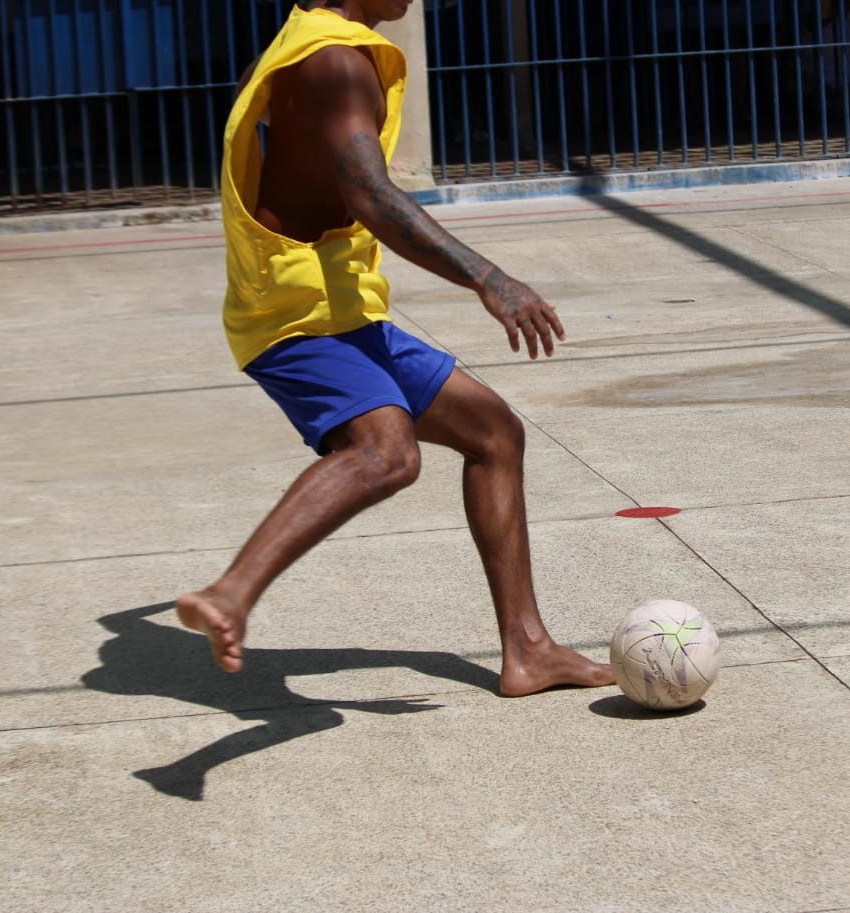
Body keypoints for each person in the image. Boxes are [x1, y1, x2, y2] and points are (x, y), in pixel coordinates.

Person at [175, 0, 614, 697]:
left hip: (342, 309)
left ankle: (528, 649)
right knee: (387, 452)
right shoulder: (340, 65)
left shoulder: (298, 42)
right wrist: (489, 278)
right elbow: (370, 192)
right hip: (298, 317)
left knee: (494, 432)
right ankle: (231, 593)